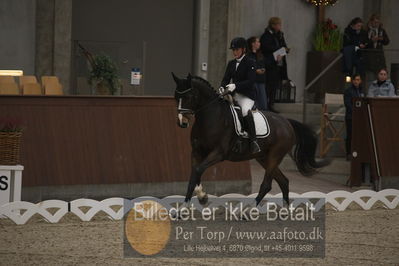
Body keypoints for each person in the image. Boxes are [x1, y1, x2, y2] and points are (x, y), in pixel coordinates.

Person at [220, 37, 260, 154]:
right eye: (233, 50)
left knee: (244, 111)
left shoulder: (250, 62)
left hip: (247, 95)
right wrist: (222, 86)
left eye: (237, 50)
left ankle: (254, 141)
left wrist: (236, 85)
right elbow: (226, 78)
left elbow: (251, 81)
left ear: (243, 49)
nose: (235, 52)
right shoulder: (231, 63)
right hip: (234, 94)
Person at [260, 17, 289, 113]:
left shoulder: (280, 35)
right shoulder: (266, 35)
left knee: (275, 85)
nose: (279, 27)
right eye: (277, 25)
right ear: (272, 25)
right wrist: (278, 50)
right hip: (270, 63)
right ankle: (266, 105)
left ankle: (271, 104)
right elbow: (265, 48)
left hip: (279, 64)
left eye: (280, 25)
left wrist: (284, 50)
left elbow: (284, 46)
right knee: (269, 85)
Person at [364, 14, 390, 90]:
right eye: (375, 22)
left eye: (378, 22)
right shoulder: (366, 31)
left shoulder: (381, 30)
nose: (376, 24)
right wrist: (371, 41)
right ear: (371, 21)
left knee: (382, 79)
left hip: (379, 58)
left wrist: (381, 39)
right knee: (370, 80)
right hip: (369, 58)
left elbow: (387, 41)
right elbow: (363, 43)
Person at [344, 74, 364, 160]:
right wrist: (355, 113)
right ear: (352, 81)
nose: (356, 81)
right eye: (355, 80)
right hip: (350, 117)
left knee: (359, 136)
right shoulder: (348, 91)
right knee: (350, 135)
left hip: (360, 117)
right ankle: (348, 153)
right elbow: (347, 104)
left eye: (358, 80)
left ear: (360, 81)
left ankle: (357, 153)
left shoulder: (362, 91)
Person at [247, 36, 267, 111]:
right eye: (257, 42)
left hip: (261, 80)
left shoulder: (260, 54)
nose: (259, 44)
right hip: (253, 81)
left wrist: (262, 69)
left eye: (259, 42)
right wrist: (255, 70)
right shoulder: (248, 55)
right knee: (255, 103)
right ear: (253, 44)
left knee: (263, 104)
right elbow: (248, 67)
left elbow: (263, 65)